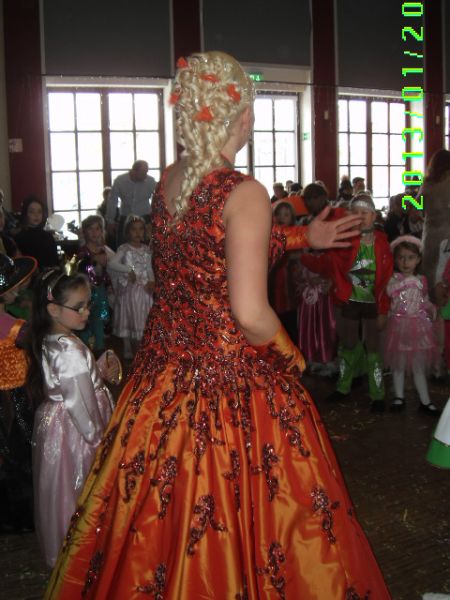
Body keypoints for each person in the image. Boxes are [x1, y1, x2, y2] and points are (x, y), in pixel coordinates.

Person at [45, 51, 390, 599]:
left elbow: (207, 254)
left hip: (161, 379)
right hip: (228, 381)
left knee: (152, 521)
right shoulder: (244, 191)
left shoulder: (171, 179)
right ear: (243, 115)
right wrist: (292, 359)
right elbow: (250, 314)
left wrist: (301, 237)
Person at [27, 269, 117, 567]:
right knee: (78, 483)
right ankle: (83, 550)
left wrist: (96, 371)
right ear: (53, 309)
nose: (87, 312)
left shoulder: (54, 338)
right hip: (77, 429)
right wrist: (98, 440)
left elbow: (71, 383)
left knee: (61, 488)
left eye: (87, 305)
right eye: (79, 307)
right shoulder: (69, 349)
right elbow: (80, 403)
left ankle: (68, 549)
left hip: (59, 423)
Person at [301, 192, 393, 411]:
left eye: (365, 213)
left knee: (373, 347)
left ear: (374, 216)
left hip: (373, 302)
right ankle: (343, 387)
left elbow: (387, 278)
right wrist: (302, 257)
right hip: (349, 300)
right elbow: (328, 263)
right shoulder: (345, 241)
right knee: (349, 344)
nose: (360, 217)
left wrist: (383, 309)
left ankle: (377, 394)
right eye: (356, 213)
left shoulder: (382, 242)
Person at [0, 253, 37, 533]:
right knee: (19, 452)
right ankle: (19, 516)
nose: (18, 288)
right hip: (13, 397)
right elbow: (38, 343)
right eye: (13, 285)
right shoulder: (13, 327)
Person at [383, 236, 440, 414]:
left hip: (418, 327)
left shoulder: (421, 279)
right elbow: (390, 291)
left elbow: (423, 298)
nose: (405, 262)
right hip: (399, 328)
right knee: (398, 365)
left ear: (418, 259)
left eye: (410, 257)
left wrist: (430, 307)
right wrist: (407, 282)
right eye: (401, 257)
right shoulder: (395, 278)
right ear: (395, 259)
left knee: (418, 367)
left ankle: (425, 401)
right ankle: (399, 397)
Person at [108, 215, 155, 359]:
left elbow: (149, 268)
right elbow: (112, 264)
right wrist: (128, 270)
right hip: (131, 290)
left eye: (141, 229)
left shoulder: (147, 249)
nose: (137, 233)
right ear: (127, 232)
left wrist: (152, 281)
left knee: (144, 318)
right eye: (134, 229)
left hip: (144, 290)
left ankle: (143, 349)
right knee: (131, 317)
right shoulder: (124, 248)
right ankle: (130, 349)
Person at [77, 215, 114, 356]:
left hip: (100, 289)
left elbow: (104, 271)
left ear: (101, 231)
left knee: (100, 318)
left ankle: (100, 347)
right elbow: (81, 267)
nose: (94, 232)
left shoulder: (102, 250)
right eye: (90, 229)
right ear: (85, 231)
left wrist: (108, 284)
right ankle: (85, 348)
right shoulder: (83, 251)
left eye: (97, 229)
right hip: (88, 290)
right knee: (86, 319)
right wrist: (93, 259)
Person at [106, 160, 156, 246]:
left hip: (145, 218)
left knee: (147, 246)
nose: (145, 175)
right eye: (143, 173)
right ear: (134, 171)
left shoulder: (150, 181)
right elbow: (112, 200)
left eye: (146, 172)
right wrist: (111, 220)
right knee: (122, 245)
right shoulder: (120, 180)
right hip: (125, 218)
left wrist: (155, 218)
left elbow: (158, 198)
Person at [269, 202, 298, 343]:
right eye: (278, 214)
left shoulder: (295, 235)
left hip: (290, 283)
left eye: (286, 215)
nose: (281, 217)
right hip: (273, 282)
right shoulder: (270, 234)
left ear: (292, 218)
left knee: (289, 319)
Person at [14, 196, 59, 269]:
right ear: (25, 214)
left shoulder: (48, 236)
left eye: (39, 211)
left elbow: (55, 263)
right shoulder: (19, 238)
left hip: (49, 274)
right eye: (32, 212)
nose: (36, 215)